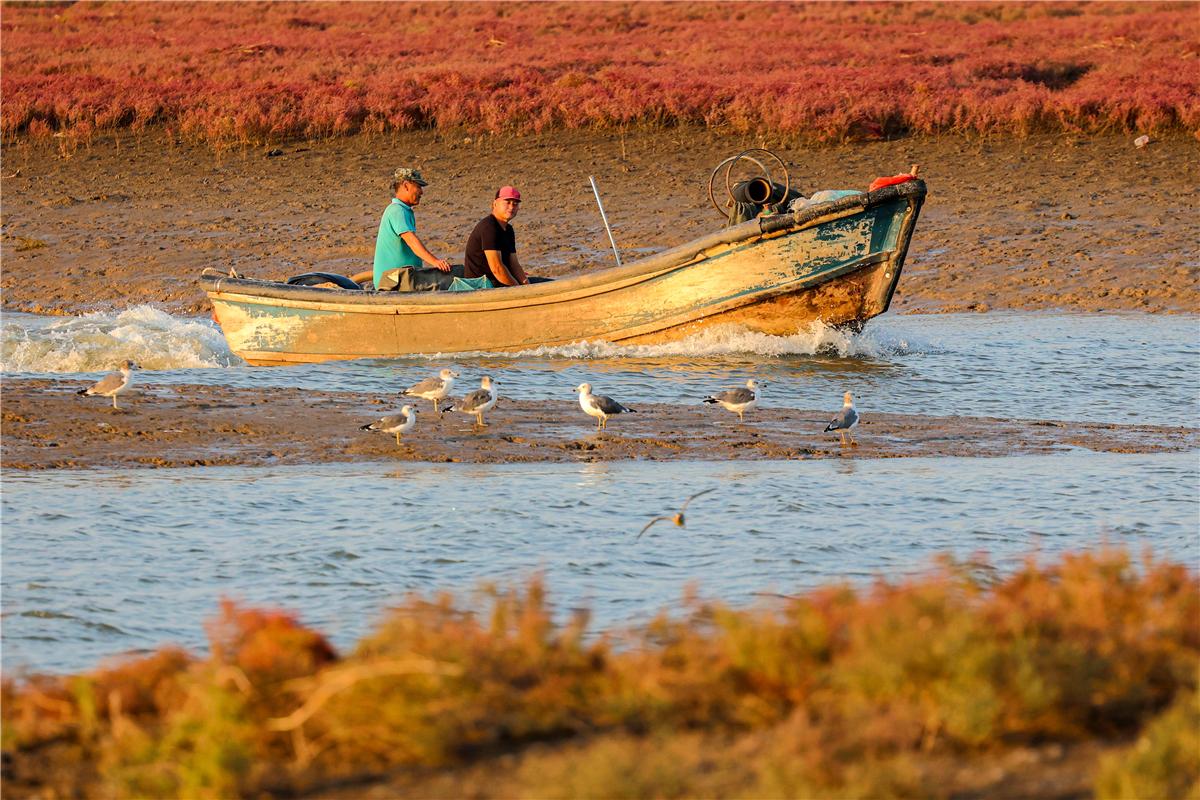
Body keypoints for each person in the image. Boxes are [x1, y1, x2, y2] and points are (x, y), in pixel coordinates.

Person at [373, 167, 452, 291]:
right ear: (406, 185)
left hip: (403, 278)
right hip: (391, 283)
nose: (421, 192)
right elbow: (412, 241)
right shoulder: (397, 211)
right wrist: (435, 262)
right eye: (418, 186)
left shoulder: (403, 210)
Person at [463, 186, 532, 287]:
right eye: (507, 202)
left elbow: (514, 264)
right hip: (482, 286)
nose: (512, 207)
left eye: (515, 204)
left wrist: (527, 285)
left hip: (498, 282)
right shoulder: (488, 227)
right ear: (495, 204)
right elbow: (497, 269)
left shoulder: (508, 230)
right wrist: (518, 289)